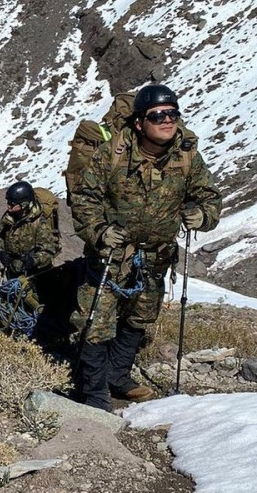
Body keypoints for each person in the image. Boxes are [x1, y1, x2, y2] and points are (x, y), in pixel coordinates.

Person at [70, 84, 221, 410]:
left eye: (172, 113)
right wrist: (99, 231)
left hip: (157, 256)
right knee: (94, 321)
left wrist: (202, 215)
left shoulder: (186, 155)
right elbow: (84, 199)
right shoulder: (112, 155)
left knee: (140, 317)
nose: (167, 120)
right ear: (140, 123)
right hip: (111, 254)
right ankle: (94, 395)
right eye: (158, 115)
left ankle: (117, 375)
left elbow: (209, 196)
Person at [0, 181, 61, 291]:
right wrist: (1, 251)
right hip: (13, 272)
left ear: (24, 204)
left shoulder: (40, 223)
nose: (8, 206)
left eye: (12, 203)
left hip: (36, 275)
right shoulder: (8, 218)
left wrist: (34, 260)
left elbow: (49, 251)